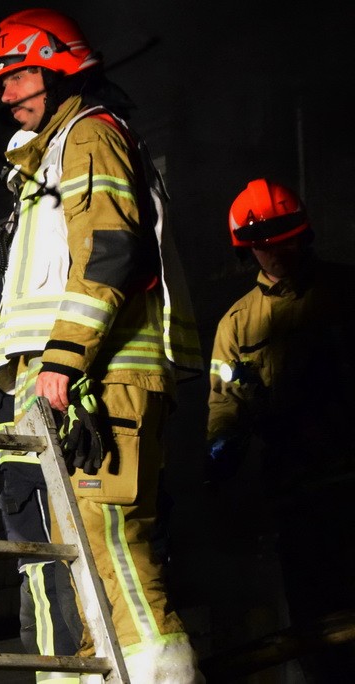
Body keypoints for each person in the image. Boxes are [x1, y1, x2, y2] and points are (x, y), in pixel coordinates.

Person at [0, 8, 206, 682]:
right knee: (80, 575)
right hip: (68, 385)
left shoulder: (89, 137)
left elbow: (111, 251)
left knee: (116, 554)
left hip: (99, 379)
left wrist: (63, 358)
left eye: (13, 77)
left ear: (53, 69)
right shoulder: (47, 161)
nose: (0, 95)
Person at [206, 178, 355, 679]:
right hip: (295, 489)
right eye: (264, 245)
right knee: (316, 624)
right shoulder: (237, 324)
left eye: (284, 238)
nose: (276, 252)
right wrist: (221, 446)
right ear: (247, 249)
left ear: (303, 233)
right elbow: (223, 399)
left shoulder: (344, 291)